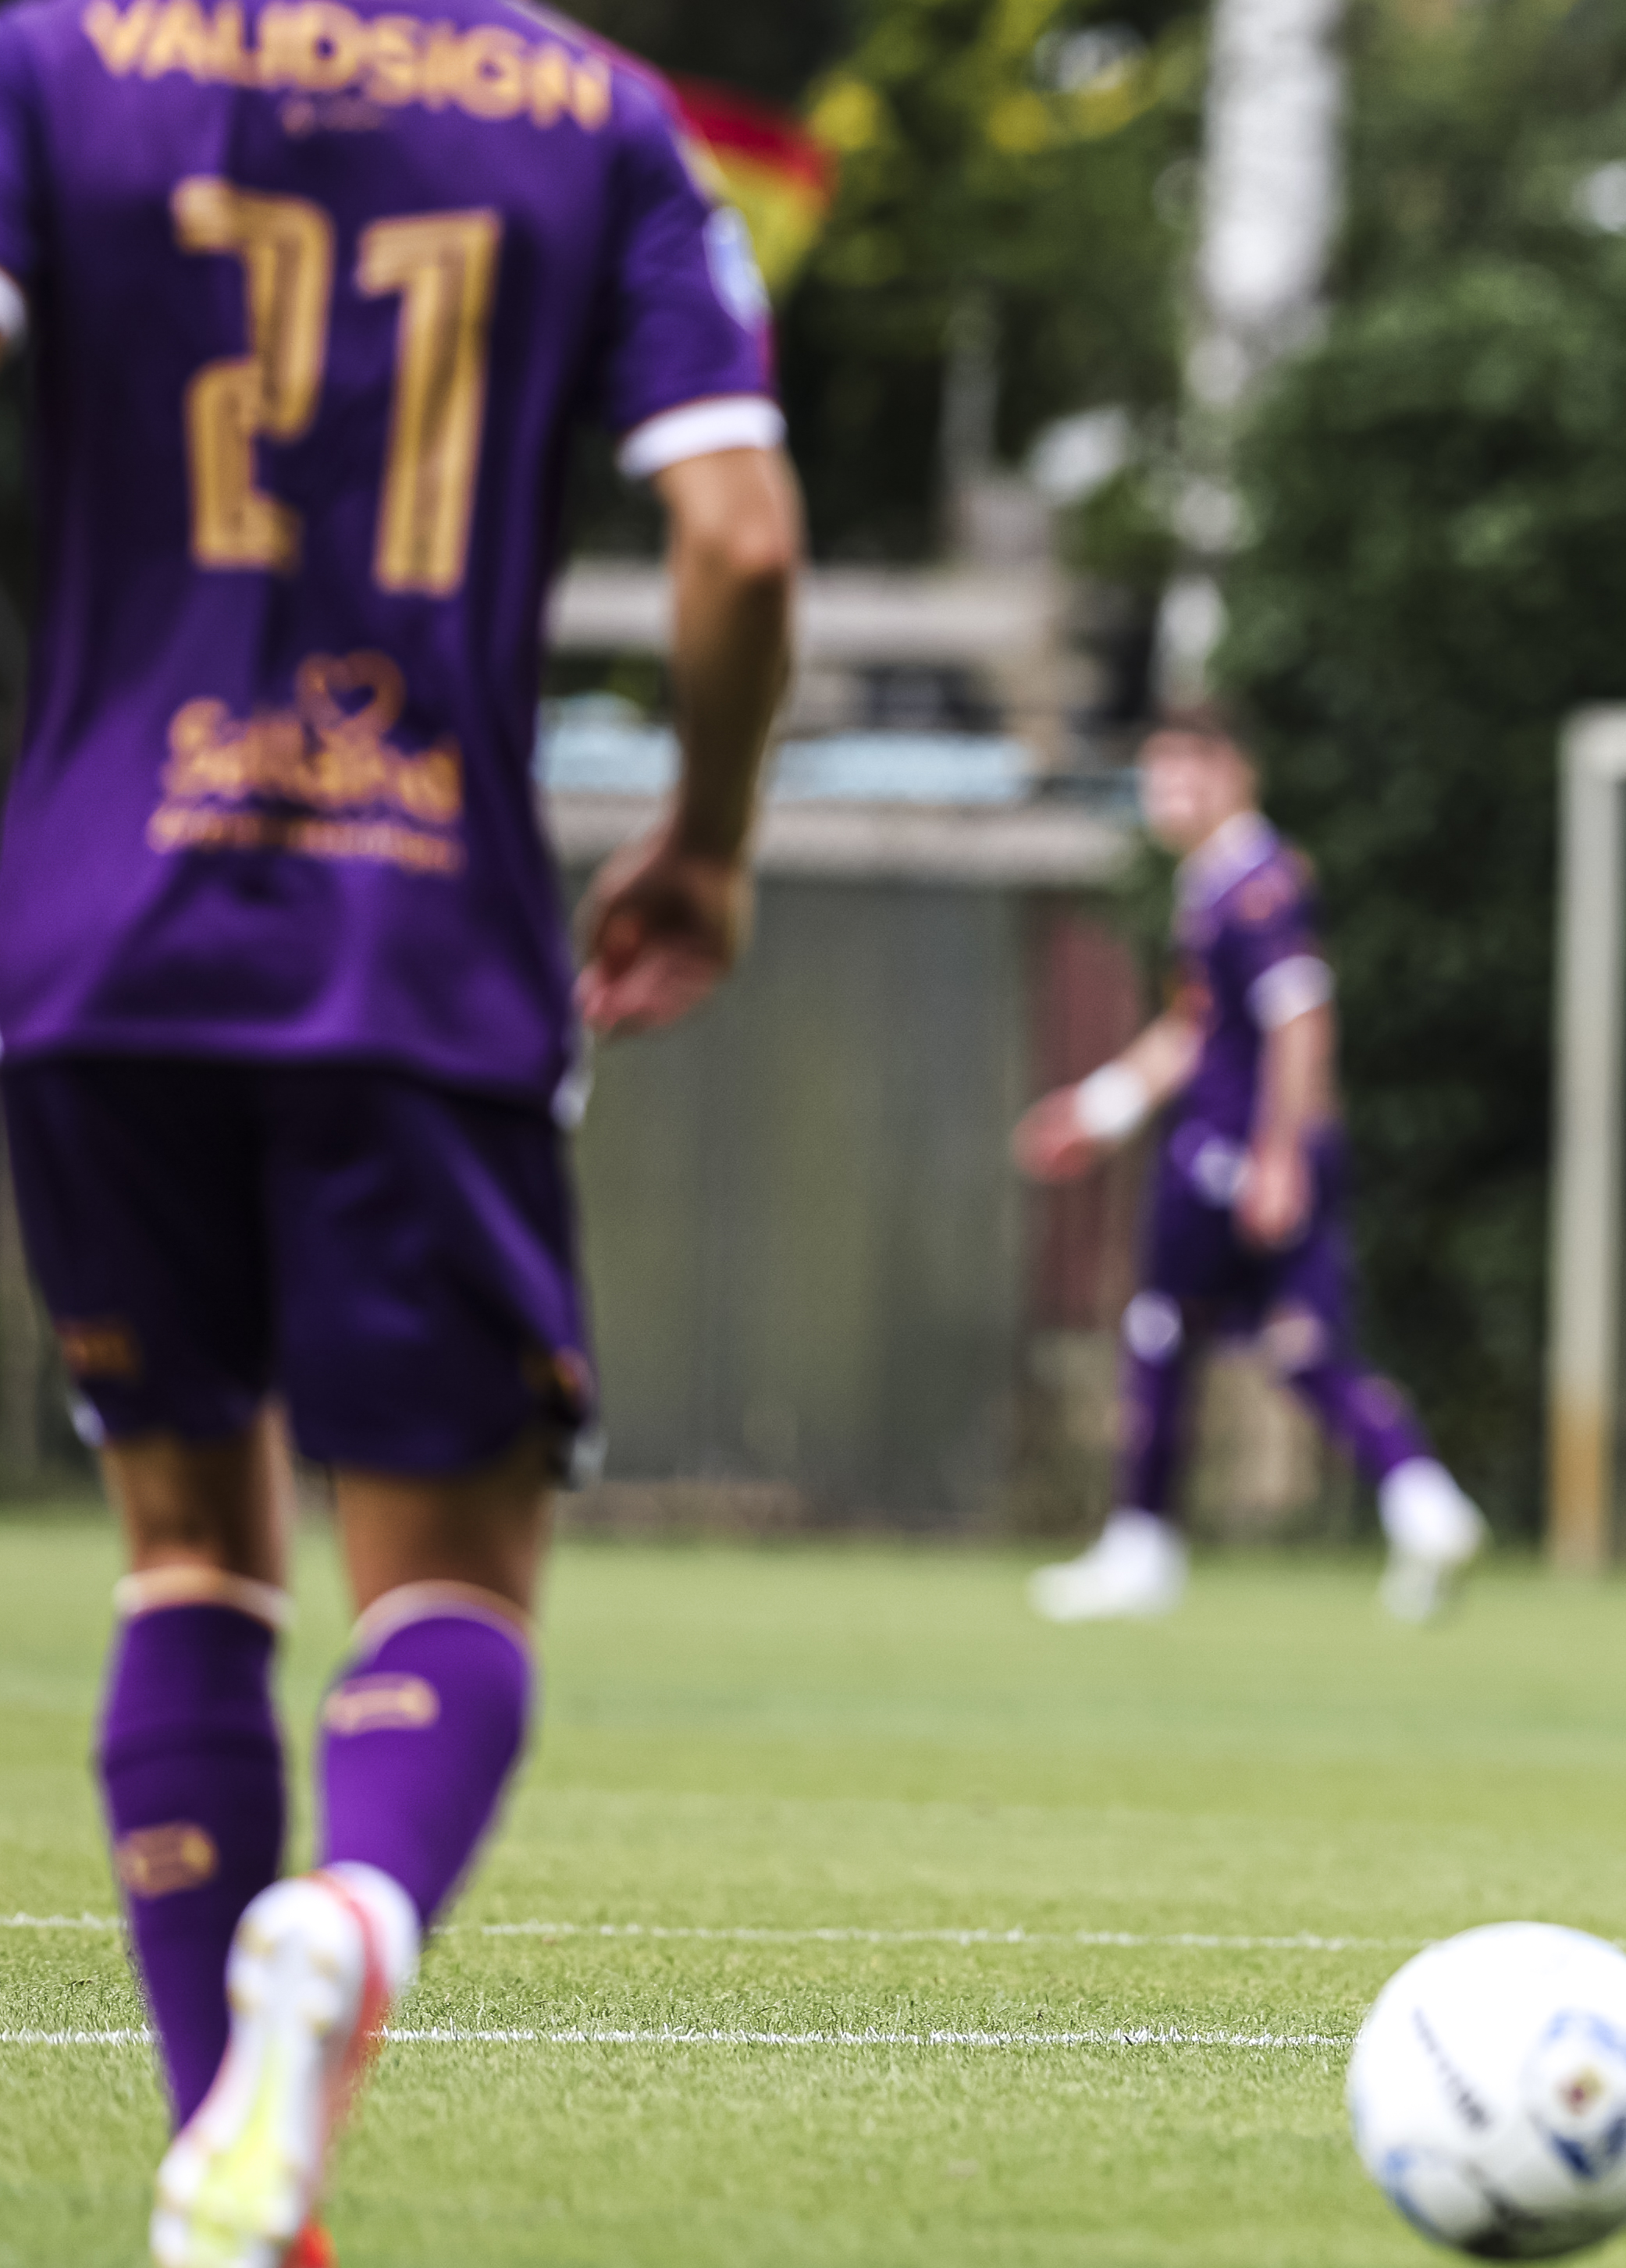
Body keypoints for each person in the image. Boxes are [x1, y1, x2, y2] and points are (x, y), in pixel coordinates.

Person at [0, 8, 801, 2259]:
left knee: (188, 1553)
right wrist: (712, 843)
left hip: (90, 931)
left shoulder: (48, 62)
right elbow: (734, 535)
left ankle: (231, 2167)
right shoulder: (591, 116)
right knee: (443, 1581)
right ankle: (344, 1920)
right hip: (414, 943)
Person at [1014, 713, 1486, 1625]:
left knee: (1160, 1328)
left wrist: (1276, 1153)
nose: (1167, 798)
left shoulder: (1255, 886)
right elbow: (1198, 1030)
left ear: (1235, 774)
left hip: (1230, 1152)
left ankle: (1142, 1546)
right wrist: (1102, 1109)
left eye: (1185, 776)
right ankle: (1425, 1501)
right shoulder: (1218, 883)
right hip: (1273, 1148)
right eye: (1157, 780)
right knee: (1305, 1343)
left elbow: (1301, 1020)